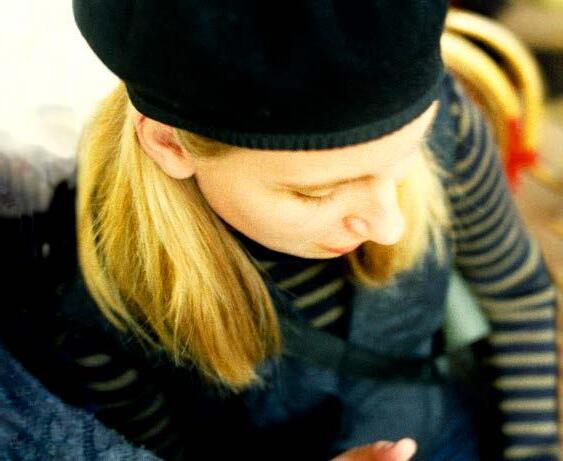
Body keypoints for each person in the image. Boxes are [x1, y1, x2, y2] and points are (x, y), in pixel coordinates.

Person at [1, 1, 559, 460]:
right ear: (171, 144)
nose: (389, 227)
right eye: (315, 192)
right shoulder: (94, 299)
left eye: (407, 159)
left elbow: (519, 296)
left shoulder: (449, 118)